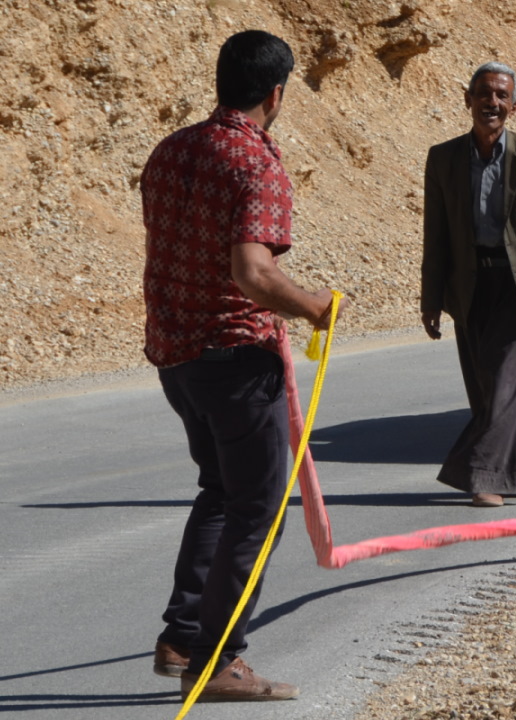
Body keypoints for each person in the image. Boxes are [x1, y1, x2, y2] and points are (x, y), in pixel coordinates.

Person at [141, 29, 347, 702]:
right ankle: (217, 659)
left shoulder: (172, 150)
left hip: (178, 358)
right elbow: (253, 272)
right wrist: (314, 305)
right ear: (277, 92)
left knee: (221, 492)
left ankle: (182, 635)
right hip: (233, 360)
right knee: (256, 506)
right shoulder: (255, 163)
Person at [420, 62, 516, 508]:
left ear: (514, 106)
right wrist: (431, 297)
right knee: (488, 390)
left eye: (502, 96)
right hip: (469, 287)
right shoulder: (443, 158)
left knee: (506, 385)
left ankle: (486, 478)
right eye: (484, 94)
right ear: (468, 100)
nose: (493, 103)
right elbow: (436, 232)